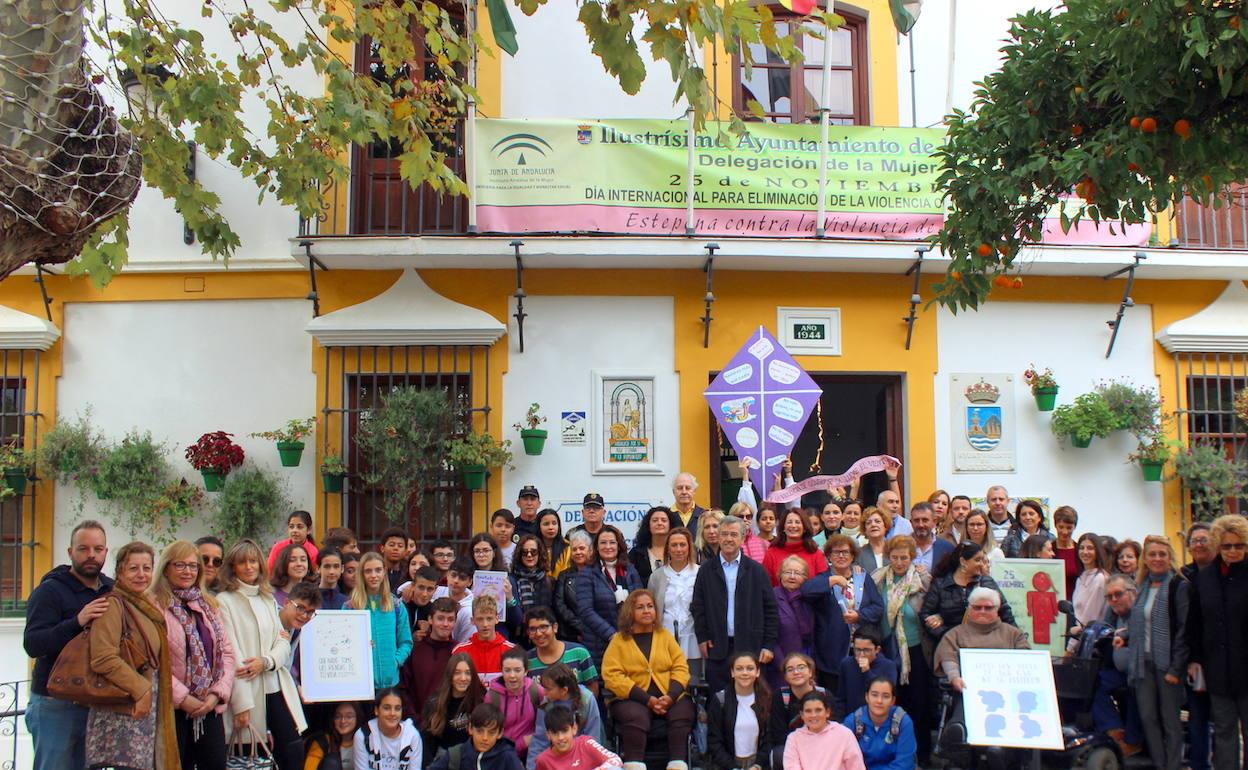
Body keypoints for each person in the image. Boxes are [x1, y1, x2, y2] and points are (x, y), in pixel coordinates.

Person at [23, 519, 114, 770]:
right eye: (83, 549)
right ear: (70, 552)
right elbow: (33, 644)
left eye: (98, 549)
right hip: (55, 703)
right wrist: (77, 621)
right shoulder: (49, 591)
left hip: (97, 702)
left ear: (106, 552)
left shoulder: (111, 590)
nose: (91, 555)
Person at [83, 541, 178, 770]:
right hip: (120, 712)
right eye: (133, 568)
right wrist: (141, 689)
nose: (141, 575)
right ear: (120, 572)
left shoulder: (144, 606)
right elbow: (103, 657)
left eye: (146, 568)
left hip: (141, 709)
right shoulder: (112, 606)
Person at [216, 538, 306, 769]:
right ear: (232, 567)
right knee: (252, 757)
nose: (248, 567)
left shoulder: (267, 598)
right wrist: (241, 704)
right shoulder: (224, 601)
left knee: (292, 749)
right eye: (242, 562)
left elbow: (283, 642)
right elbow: (232, 653)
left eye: (253, 562)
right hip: (248, 690)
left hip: (274, 683)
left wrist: (266, 661)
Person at [154, 539, 236, 770]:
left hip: (209, 707)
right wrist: (183, 699)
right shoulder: (154, 605)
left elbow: (226, 654)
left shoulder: (208, 605)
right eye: (180, 565)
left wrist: (216, 694)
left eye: (192, 566)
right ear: (166, 567)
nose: (187, 571)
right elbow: (151, 662)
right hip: (172, 709)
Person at [601, 589, 695, 770]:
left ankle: (677, 764)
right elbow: (612, 675)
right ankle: (635, 764)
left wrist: (671, 696)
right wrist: (647, 699)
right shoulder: (619, 641)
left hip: (669, 695)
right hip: (632, 699)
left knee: (683, 710)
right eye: (640, 607)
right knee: (636, 716)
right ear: (630, 612)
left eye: (650, 606)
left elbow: (681, 667)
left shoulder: (665, 636)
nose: (646, 611)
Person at [692, 514, 780, 693]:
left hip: (750, 646)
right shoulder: (706, 570)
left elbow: (770, 609)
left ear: (742, 538)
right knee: (719, 701)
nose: (728, 539)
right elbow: (698, 606)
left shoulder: (756, 571)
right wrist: (702, 637)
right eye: (724, 534)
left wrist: (768, 644)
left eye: (733, 534)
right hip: (717, 647)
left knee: (752, 701)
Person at [1123, 535, 1189, 770]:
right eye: (1152, 554)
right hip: (1143, 664)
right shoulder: (1142, 587)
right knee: (1148, 719)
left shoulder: (1178, 586)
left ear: (1170, 557)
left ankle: (1173, 765)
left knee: (1170, 722)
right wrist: (1125, 636)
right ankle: (1160, 765)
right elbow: (1140, 622)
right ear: (1145, 559)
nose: (1157, 558)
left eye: (1162, 554)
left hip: (1167, 665)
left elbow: (1184, 630)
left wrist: (1176, 668)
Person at [871, 534, 932, 764]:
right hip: (887, 648)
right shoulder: (878, 579)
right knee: (892, 701)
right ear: (888, 557)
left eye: (904, 558)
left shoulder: (922, 580)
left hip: (915, 650)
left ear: (912, 557)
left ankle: (922, 755)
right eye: (895, 557)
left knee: (918, 703)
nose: (898, 562)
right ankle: (892, 754)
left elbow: (931, 607)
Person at [803, 535, 883, 693]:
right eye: (836, 552)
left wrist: (859, 615)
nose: (841, 556)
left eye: (845, 552)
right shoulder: (824, 579)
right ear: (829, 556)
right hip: (832, 652)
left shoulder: (862, 577)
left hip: (862, 648)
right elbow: (806, 592)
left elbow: (878, 607)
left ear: (853, 555)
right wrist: (832, 581)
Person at [933, 587, 1030, 692]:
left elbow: (1025, 660)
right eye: (977, 607)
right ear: (969, 609)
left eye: (988, 608)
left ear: (997, 609)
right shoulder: (954, 634)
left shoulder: (1014, 634)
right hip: (967, 690)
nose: (982, 611)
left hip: (1010, 690)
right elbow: (948, 658)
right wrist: (954, 677)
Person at [1090, 575, 1144, 757]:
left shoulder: (1142, 613)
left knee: (1135, 686)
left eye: (1118, 594)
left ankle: (1134, 741)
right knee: (1090, 681)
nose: (1113, 600)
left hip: (1142, 671)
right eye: (1109, 596)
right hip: (1119, 671)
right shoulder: (1114, 615)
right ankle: (1114, 730)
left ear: (1133, 593)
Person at [920, 541, 1015, 643]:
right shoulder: (940, 584)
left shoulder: (986, 582)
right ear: (963, 562)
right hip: (950, 644)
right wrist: (945, 633)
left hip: (984, 643)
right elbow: (925, 614)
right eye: (978, 560)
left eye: (983, 560)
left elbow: (1005, 612)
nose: (982, 564)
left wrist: (1016, 638)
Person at [576, 525, 642, 667]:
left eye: (612, 542)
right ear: (596, 547)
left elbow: (640, 602)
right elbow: (586, 611)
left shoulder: (630, 570)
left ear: (619, 546)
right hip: (599, 643)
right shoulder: (587, 573)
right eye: (603, 543)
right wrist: (612, 635)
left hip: (630, 639)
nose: (608, 546)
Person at [705, 651, 781, 770]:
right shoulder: (720, 700)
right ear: (732, 673)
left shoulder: (767, 699)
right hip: (728, 765)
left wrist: (758, 765)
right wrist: (732, 767)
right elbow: (714, 741)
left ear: (757, 672)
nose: (745, 673)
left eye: (750, 668)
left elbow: (769, 739)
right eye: (739, 669)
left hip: (758, 765)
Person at [350, 551, 413, 689]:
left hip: (390, 682)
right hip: (360, 681)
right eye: (368, 571)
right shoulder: (351, 607)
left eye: (378, 570)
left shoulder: (396, 605)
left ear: (384, 571)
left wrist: (395, 661)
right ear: (362, 574)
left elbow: (406, 642)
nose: (373, 575)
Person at [1182, 523, 1216, 770]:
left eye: (1204, 540)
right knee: (1198, 719)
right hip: (1195, 657)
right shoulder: (1184, 575)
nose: (1199, 545)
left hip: (1224, 658)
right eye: (1194, 541)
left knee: (1224, 721)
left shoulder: (1225, 572)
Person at [526, 664, 604, 770]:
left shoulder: (587, 700)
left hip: (584, 758)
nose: (544, 693)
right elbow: (540, 740)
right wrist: (531, 767)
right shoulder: (546, 705)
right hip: (558, 758)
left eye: (548, 689)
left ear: (564, 690)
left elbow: (594, 738)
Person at [648, 527, 701, 684]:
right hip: (665, 637)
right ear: (668, 548)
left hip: (694, 638)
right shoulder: (657, 576)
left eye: (682, 545)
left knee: (693, 682)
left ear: (689, 547)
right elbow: (651, 610)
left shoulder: (700, 573)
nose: (679, 549)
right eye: (674, 545)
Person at [399, 596, 459, 721]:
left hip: (447, 725)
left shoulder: (458, 651)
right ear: (430, 619)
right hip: (416, 724)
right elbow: (403, 688)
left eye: (450, 619)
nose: (445, 624)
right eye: (440, 618)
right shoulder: (415, 649)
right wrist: (414, 719)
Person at [423, 653, 488, 765]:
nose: (463, 678)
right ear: (450, 675)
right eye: (457, 673)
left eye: (467, 673)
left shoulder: (480, 699)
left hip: (473, 758)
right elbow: (428, 743)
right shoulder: (435, 703)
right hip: (444, 759)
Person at [843, 677, 917, 770]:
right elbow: (843, 759)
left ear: (893, 701)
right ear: (867, 697)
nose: (879, 701)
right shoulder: (852, 722)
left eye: (885, 696)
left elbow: (905, 764)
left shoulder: (903, 722)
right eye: (874, 695)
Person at [782, 690, 866, 770]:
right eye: (808, 711)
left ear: (827, 712)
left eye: (818, 710)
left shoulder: (844, 734)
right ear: (802, 715)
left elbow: (856, 766)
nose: (813, 715)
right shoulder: (793, 739)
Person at [524, 607, 600, 693]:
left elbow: (593, 689)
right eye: (532, 629)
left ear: (555, 627)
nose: (538, 633)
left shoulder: (579, 653)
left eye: (543, 627)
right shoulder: (527, 660)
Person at [429, 702, 524, 770]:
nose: (485, 738)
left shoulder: (507, 757)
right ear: (470, 729)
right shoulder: (456, 755)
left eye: (491, 733)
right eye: (479, 731)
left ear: (499, 733)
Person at [531, 704, 620, 770]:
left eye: (564, 731)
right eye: (555, 733)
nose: (560, 737)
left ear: (574, 729)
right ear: (548, 735)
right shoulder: (543, 760)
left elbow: (615, 759)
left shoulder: (586, 743)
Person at [771, 555, 814, 689]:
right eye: (788, 572)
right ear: (780, 575)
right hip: (779, 664)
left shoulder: (810, 598)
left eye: (797, 573)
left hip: (808, 661)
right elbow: (769, 635)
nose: (792, 576)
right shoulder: (771, 596)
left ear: (805, 578)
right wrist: (784, 666)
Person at [354, 687, 422, 770]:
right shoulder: (363, 735)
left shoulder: (413, 736)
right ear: (376, 710)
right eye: (387, 708)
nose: (392, 713)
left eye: (397, 708)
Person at [836, 628, 897, 719]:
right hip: (851, 720)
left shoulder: (888, 666)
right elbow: (841, 698)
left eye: (866, 650)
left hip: (879, 719)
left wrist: (867, 671)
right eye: (857, 650)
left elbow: (886, 694)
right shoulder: (846, 664)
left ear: (877, 649)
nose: (861, 654)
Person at [454, 595, 517, 682]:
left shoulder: (512, 651)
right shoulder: (459, 651)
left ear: (497, 619)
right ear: (472, 620)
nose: (485, 624)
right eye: (480, 619)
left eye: (489, 619)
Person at [762, 509, 827, 586]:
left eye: (797, 522)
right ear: (783, 527)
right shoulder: (771, 553)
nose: (793, 526)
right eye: (789, 522)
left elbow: (822, 584)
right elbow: (764, 584)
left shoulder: (816, 554)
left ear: (805, 528)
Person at [770, 652, 824, 741]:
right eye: (790, 669)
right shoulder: (781, 696)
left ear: (810, 671)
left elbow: (831, 728)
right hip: (791, 746)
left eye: (801, 667)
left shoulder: (823, 694)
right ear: (785, 676)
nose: (796, 672)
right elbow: (778, 733)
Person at [277, 583, 322, 688]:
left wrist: (296, 686)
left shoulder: (297, 630)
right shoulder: (268, 620)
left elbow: (286, 666)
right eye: (300, 608)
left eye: (310, 612)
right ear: (286, 603)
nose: (304, 616)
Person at [510, 534, 553, 644]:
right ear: (520, 555)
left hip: (545, 636)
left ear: (539, 554)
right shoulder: (512, 580)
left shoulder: (549, 580)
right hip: (521, 637)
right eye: (525, 552)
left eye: (533, 552)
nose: (529, 555)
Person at [554, 531, 591, 642]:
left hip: (595, 632)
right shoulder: (564, 575)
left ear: (590, 550)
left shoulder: (598, 573)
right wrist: (579, 626)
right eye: (574, 549)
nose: (578, 552)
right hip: (569, 634)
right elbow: (559, 604)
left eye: (582, 548)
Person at [305, 701, 362, 770]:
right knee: (331, 761)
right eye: (338, 717)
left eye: (349, 716)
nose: (343, 721)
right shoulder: (323, 742)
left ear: (358, 718)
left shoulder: (366, 740)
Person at [1071, 532, 1111, 627]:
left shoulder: (1100, 578)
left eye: (1090, 548)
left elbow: (1091, 617)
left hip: (1090, 635)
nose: (1085, 552)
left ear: (1097, 551)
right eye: (1081, 548)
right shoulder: (1080, 579)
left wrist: (1074, 640)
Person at [628, 506, 672, 586]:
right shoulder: (636, 553)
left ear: (670, 525)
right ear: (648, 525)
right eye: (655, 520)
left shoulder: (679, 551)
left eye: (664, 520)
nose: (659, 523)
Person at [907, 502, 952, 573]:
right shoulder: (900, 546)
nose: (921, 525)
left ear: (934, 522)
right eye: (916, 520)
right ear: (911, 522)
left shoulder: (947, 549)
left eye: (925, 520)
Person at [399, 563, 439, 637]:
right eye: (421, 587)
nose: (424, 594)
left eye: (429, 589)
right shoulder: (400, 607)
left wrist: (431, 632)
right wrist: (412, 639)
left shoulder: (434, 611)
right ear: (413, 585)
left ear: (435, 589)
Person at [1051, 506, 1081, 600]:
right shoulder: (1049, 549)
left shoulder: (1080, 550)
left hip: (1076, 603)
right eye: (1061, 527)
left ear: (1074, 527)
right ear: (1055, 525)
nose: (1064, 532)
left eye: (1069, 528)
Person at [271, 542, 312, 607]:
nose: (299, 564)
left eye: (303, 560)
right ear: (283, 564)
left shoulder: (313, 594)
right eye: (292, 560)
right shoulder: (271, 594)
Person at [855, 508, 892, 573]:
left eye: (877, 521)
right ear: (865, 529)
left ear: (885, 526)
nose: (873, 525)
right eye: (868, 523)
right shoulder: (858, 554)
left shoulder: (895, 549)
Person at [536, 509, 570, 577]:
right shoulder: (533, 546)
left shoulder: (567, 546)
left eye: (554, 523)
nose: (551, 527)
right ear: (538, 526)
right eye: (546, 524)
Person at [378, 528, 409, 593]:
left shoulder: (408, 573)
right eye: (391, 545)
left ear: (405, 551)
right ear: (382, 548)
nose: (396, 548)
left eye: (400, 546)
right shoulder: (376, 571)